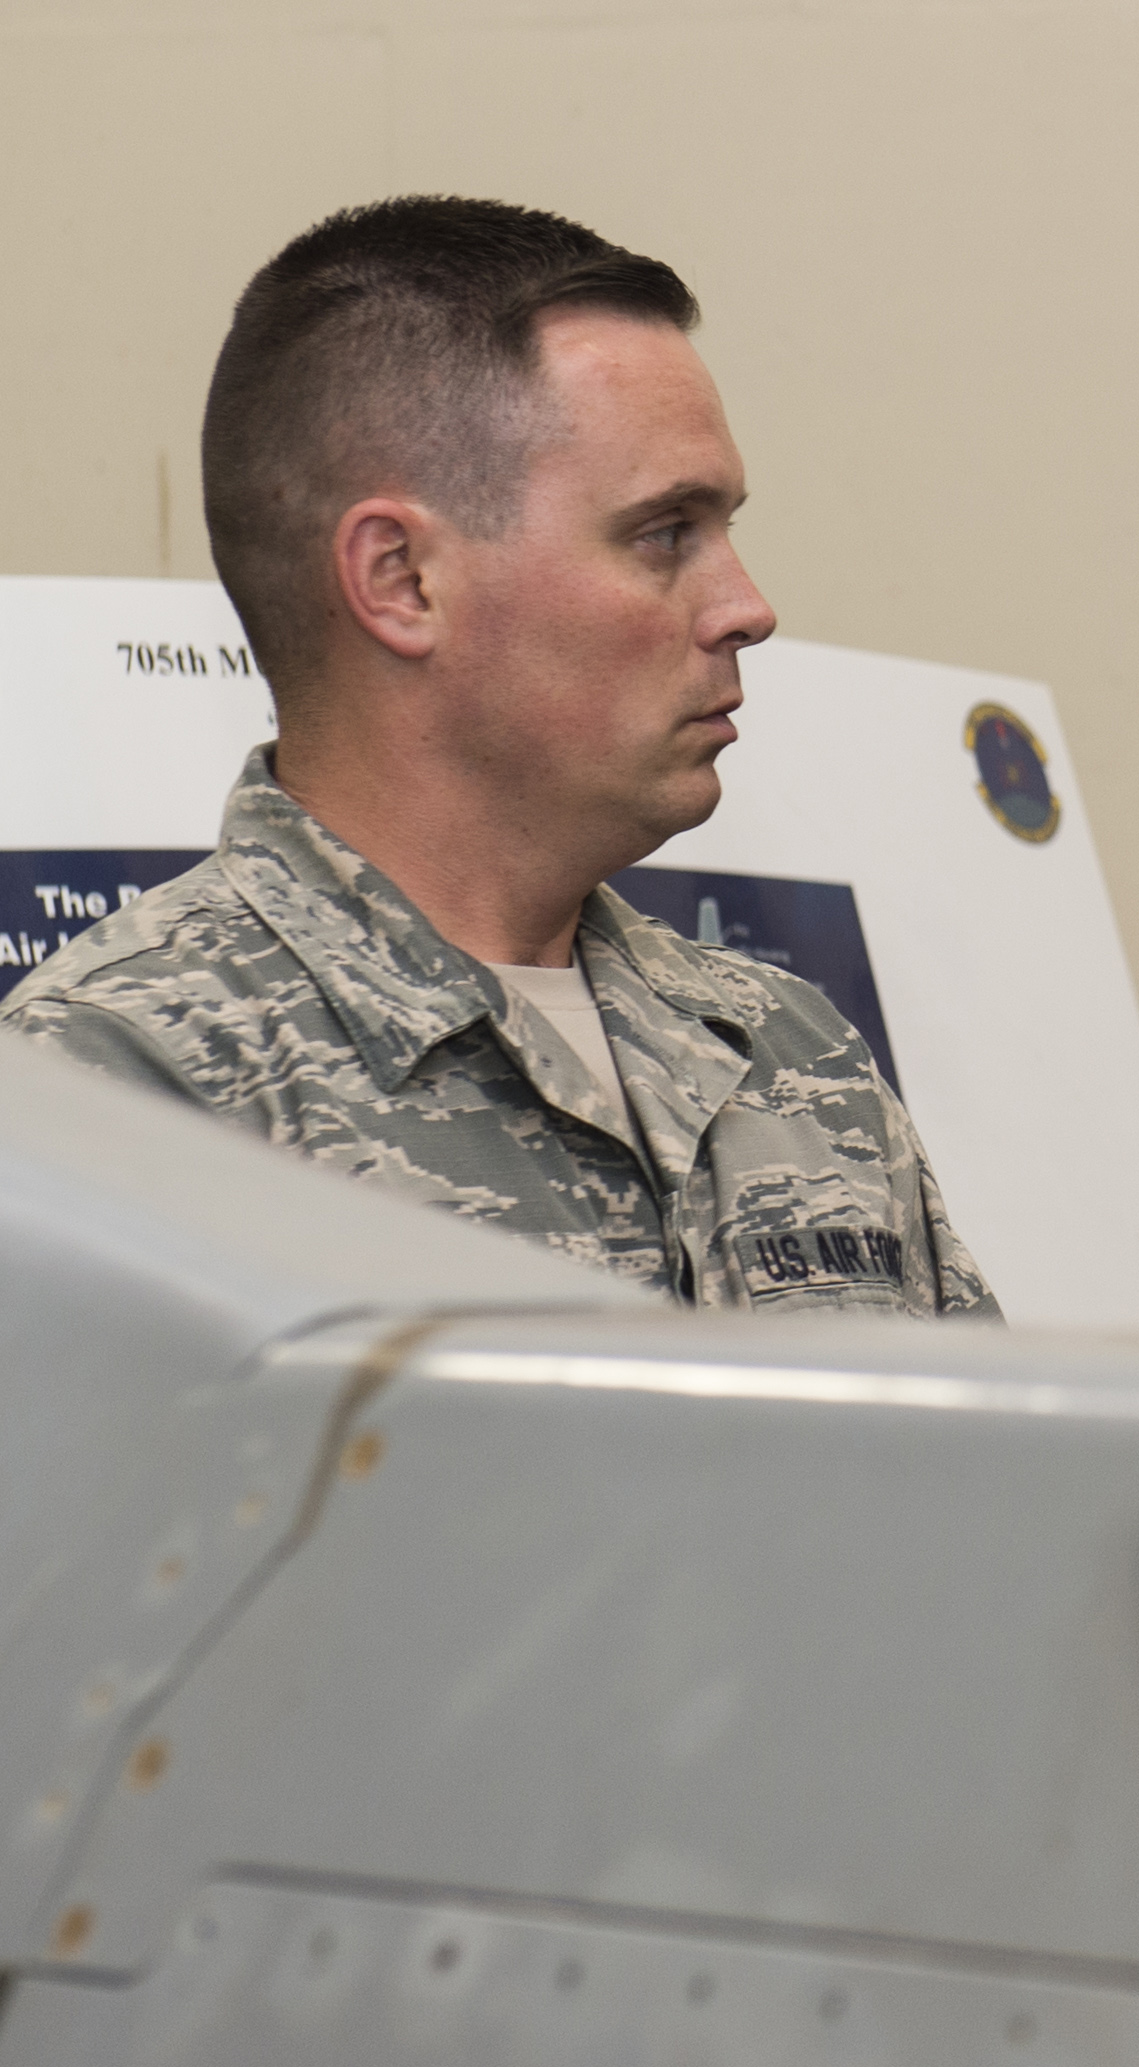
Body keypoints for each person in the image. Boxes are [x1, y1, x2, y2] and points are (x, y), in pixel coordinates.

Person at [3, 198, 995, 1318]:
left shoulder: (788, 1053)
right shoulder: (105, 1103)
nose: (748, 607)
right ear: (402, 581)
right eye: (666, 533)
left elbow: (989, 1491)